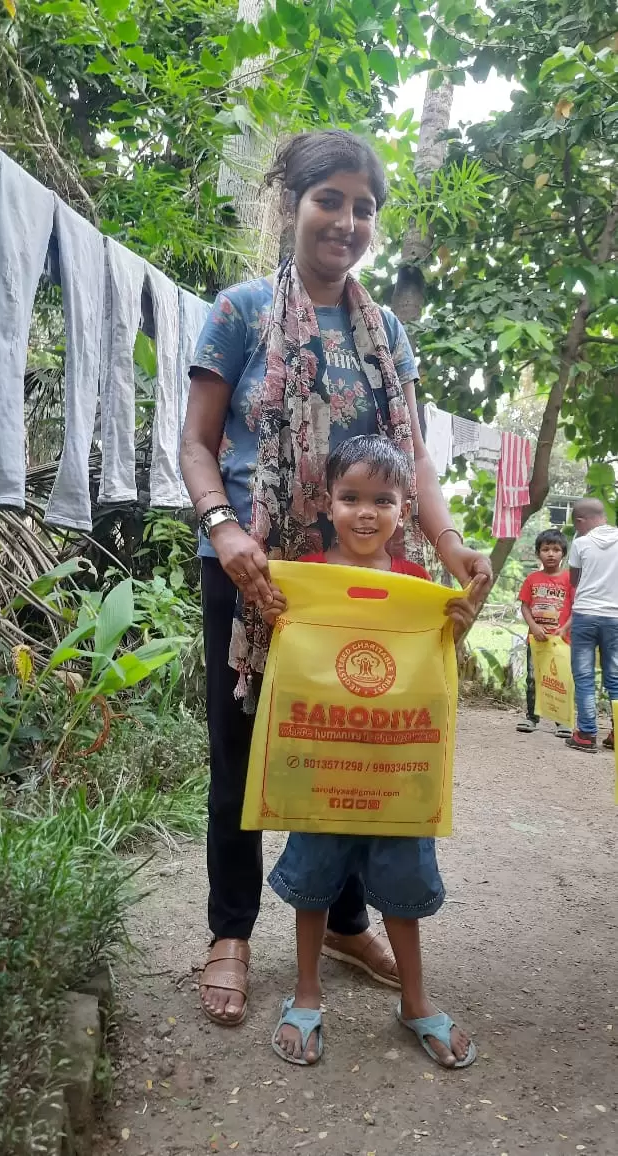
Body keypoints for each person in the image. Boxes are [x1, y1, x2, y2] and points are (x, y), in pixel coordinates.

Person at [180, 129, 492, 1028]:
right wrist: (223, 526)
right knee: (244, 754)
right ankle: (231, 932)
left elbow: (414, 460)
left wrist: (450, 543)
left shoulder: (386, 333)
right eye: (330, 200)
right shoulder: (239, 312)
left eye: (363, 208)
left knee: (355, 749)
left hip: (362, 581)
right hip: (257, 574)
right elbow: (196, 443)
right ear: (293, 205)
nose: (346, 221)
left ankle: (348, 922)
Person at [264, 436, 479, 1068]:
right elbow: (291, 653)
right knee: (313, 882)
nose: (366, 512)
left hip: (396, 771)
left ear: (405, 508)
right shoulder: (306, 577)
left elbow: (430, 666)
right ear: (326, 503)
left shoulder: (417, 584)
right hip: (323, 766)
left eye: (383, 500)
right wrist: (276, 613)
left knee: (402, 884)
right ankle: (307, 992)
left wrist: (454, 630)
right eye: (351, 497)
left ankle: (415, 999)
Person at [563, 499, 618, 753]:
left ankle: (586, 734)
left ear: (580, 521)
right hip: (615, 617)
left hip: (585, 615)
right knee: (615, 677)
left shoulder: (581, 543)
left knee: (584, 676)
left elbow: (574, 580)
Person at [516, 528, 572, 737]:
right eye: (546, 549)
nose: (551, 554)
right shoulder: (532, 579)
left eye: (556, 550)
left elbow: (577, 608)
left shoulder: (569, 579)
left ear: (563, 553)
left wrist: (564, 629)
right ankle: (531, 718)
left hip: (561, 641)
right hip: (536, 639)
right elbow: (524, 606)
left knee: (561, 680)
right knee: (533, 678)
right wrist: (534, 627)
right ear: (538, 553)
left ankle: (562, 722)